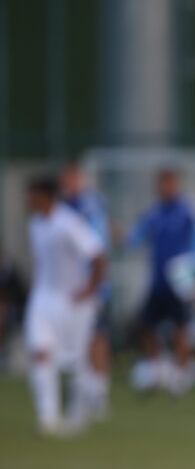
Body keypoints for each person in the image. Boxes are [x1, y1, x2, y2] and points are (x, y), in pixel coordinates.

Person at [22, 175, 107, 435]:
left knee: (76, 360)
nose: (28, 200)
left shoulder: (67, 222)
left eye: (32, 194)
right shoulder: (35, 224)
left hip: (73, 301)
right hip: (43, 298)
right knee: (40, 351)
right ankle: (48, 416)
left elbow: (98, 255)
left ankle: (77, 414)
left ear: (45, 195)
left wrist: (90, 289)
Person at [126, 166, 195, 395]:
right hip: (158, 282)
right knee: (145, 326)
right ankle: (157, 367)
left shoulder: (189, 211)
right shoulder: (153, 213)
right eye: (163, 183)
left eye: (170, 182)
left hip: (180, 282)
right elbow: (134, 238)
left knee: (181, 329)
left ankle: (181, 375)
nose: (166, 187)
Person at [60, 161, 113, 420]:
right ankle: (83, 389)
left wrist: (96, 283)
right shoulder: (62, 208)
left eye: (71, 176)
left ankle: (98, 392)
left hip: (91, 284)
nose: (68, 181)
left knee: (96, 336)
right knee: (76, 340)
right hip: (69, 287)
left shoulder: (90, 205)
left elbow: (98, 248)